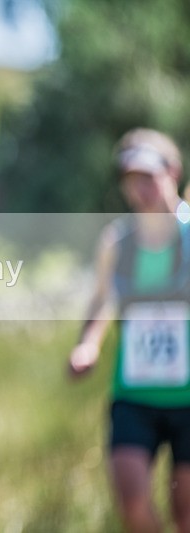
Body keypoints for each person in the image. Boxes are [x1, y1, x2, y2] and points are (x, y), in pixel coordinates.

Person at [69, 128, 190, 532]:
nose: (140, 188)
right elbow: (103, 301)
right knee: (132, 501)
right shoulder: (117, 241)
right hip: (134, 393)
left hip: (188, 397)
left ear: (173, 172)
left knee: (185, 510)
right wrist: (87, 345)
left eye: (148, 177)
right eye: (130, 180)